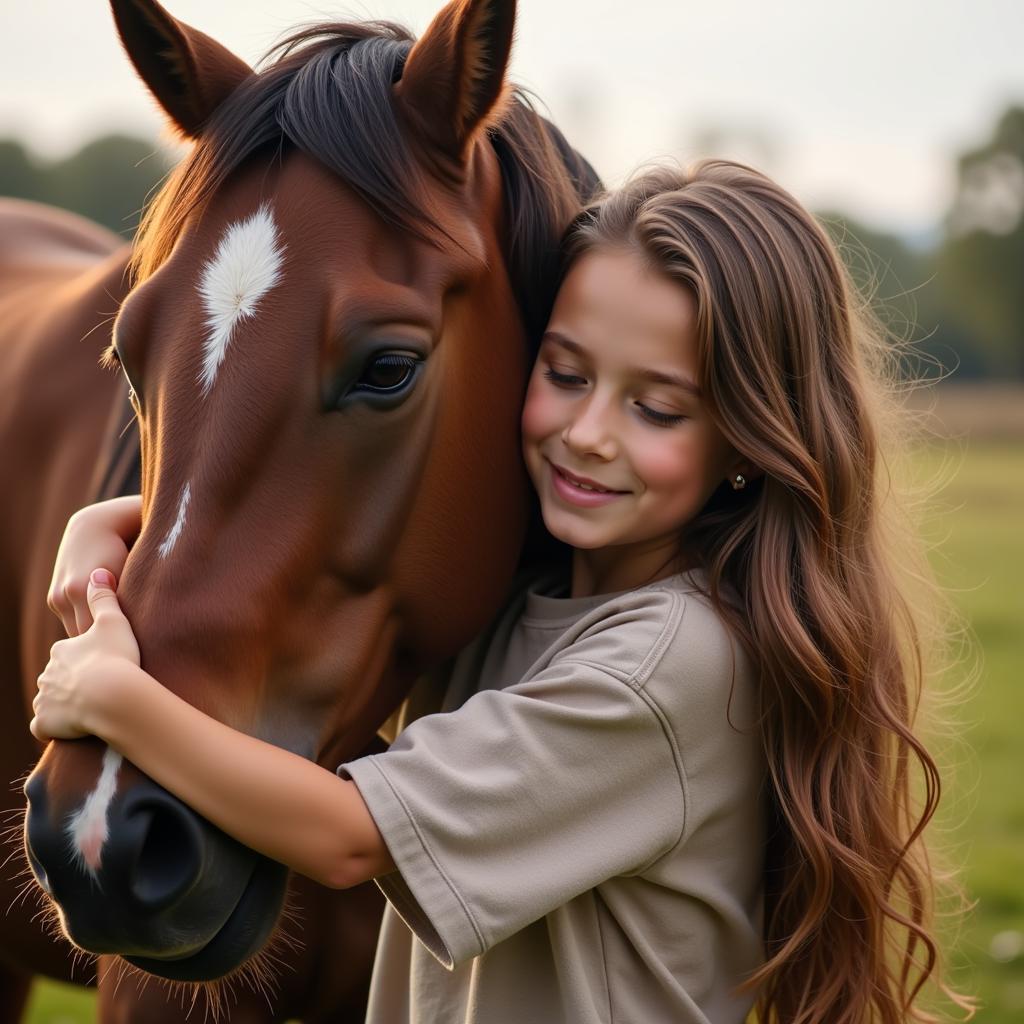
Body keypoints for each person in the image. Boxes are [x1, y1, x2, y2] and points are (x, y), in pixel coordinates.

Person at [34, 160, 962, 1023]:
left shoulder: (668, 666)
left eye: (657, 408)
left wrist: (112, 697)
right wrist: (107, 522)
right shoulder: (527, 605)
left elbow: (351, 837)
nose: (590, 433)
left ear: (748, 443)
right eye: (566, 374)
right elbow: (294, 510)